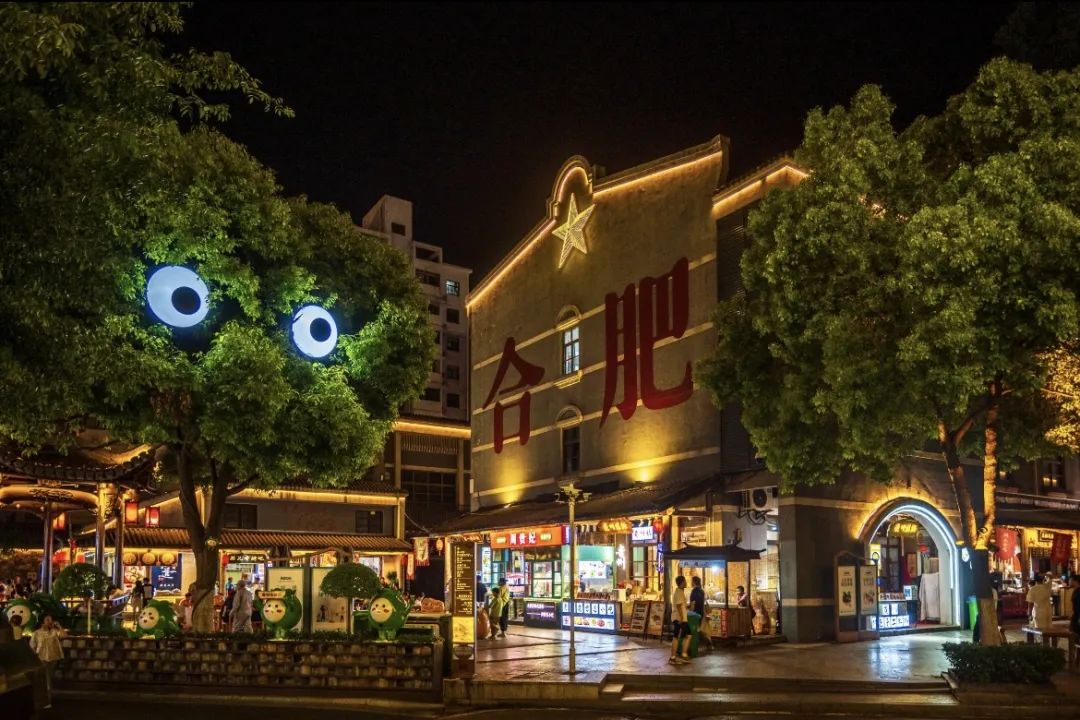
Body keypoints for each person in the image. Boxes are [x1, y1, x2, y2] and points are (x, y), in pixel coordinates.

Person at [30, 614, 65, 703]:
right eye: (48, 620)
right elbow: (32, 646)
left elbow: (64, 635)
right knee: (46, 678)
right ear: (42, 622)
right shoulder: (36, 633)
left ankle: (47, 698)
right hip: (42, 658)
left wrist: (59, 626)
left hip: (53, 657)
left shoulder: (54, 631)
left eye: (51, 620)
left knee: (49, 677)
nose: (50, 622)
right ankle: (46, 699)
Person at [670, 575, 690, 664]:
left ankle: (680, 655)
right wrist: (681, 618)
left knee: (682, 636)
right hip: (679, 619)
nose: (686, 583)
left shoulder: (680, 591)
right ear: (682, 582)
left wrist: (688, 606)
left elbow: (681, 605)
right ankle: (676, 656)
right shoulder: (678, 592)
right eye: (685, 581)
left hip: (681, 618)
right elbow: (678, 606)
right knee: (682, 636)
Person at [689, 576, 713, 651]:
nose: (691, 583)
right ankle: (709, 644)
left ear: (694, 582)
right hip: (702, 613)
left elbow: (693, 603)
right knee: (703, 629)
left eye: (691, 581)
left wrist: (691, 612)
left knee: (698, 630)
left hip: (696, 613)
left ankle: (693, 646)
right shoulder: (701, 591)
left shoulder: (694, 591)